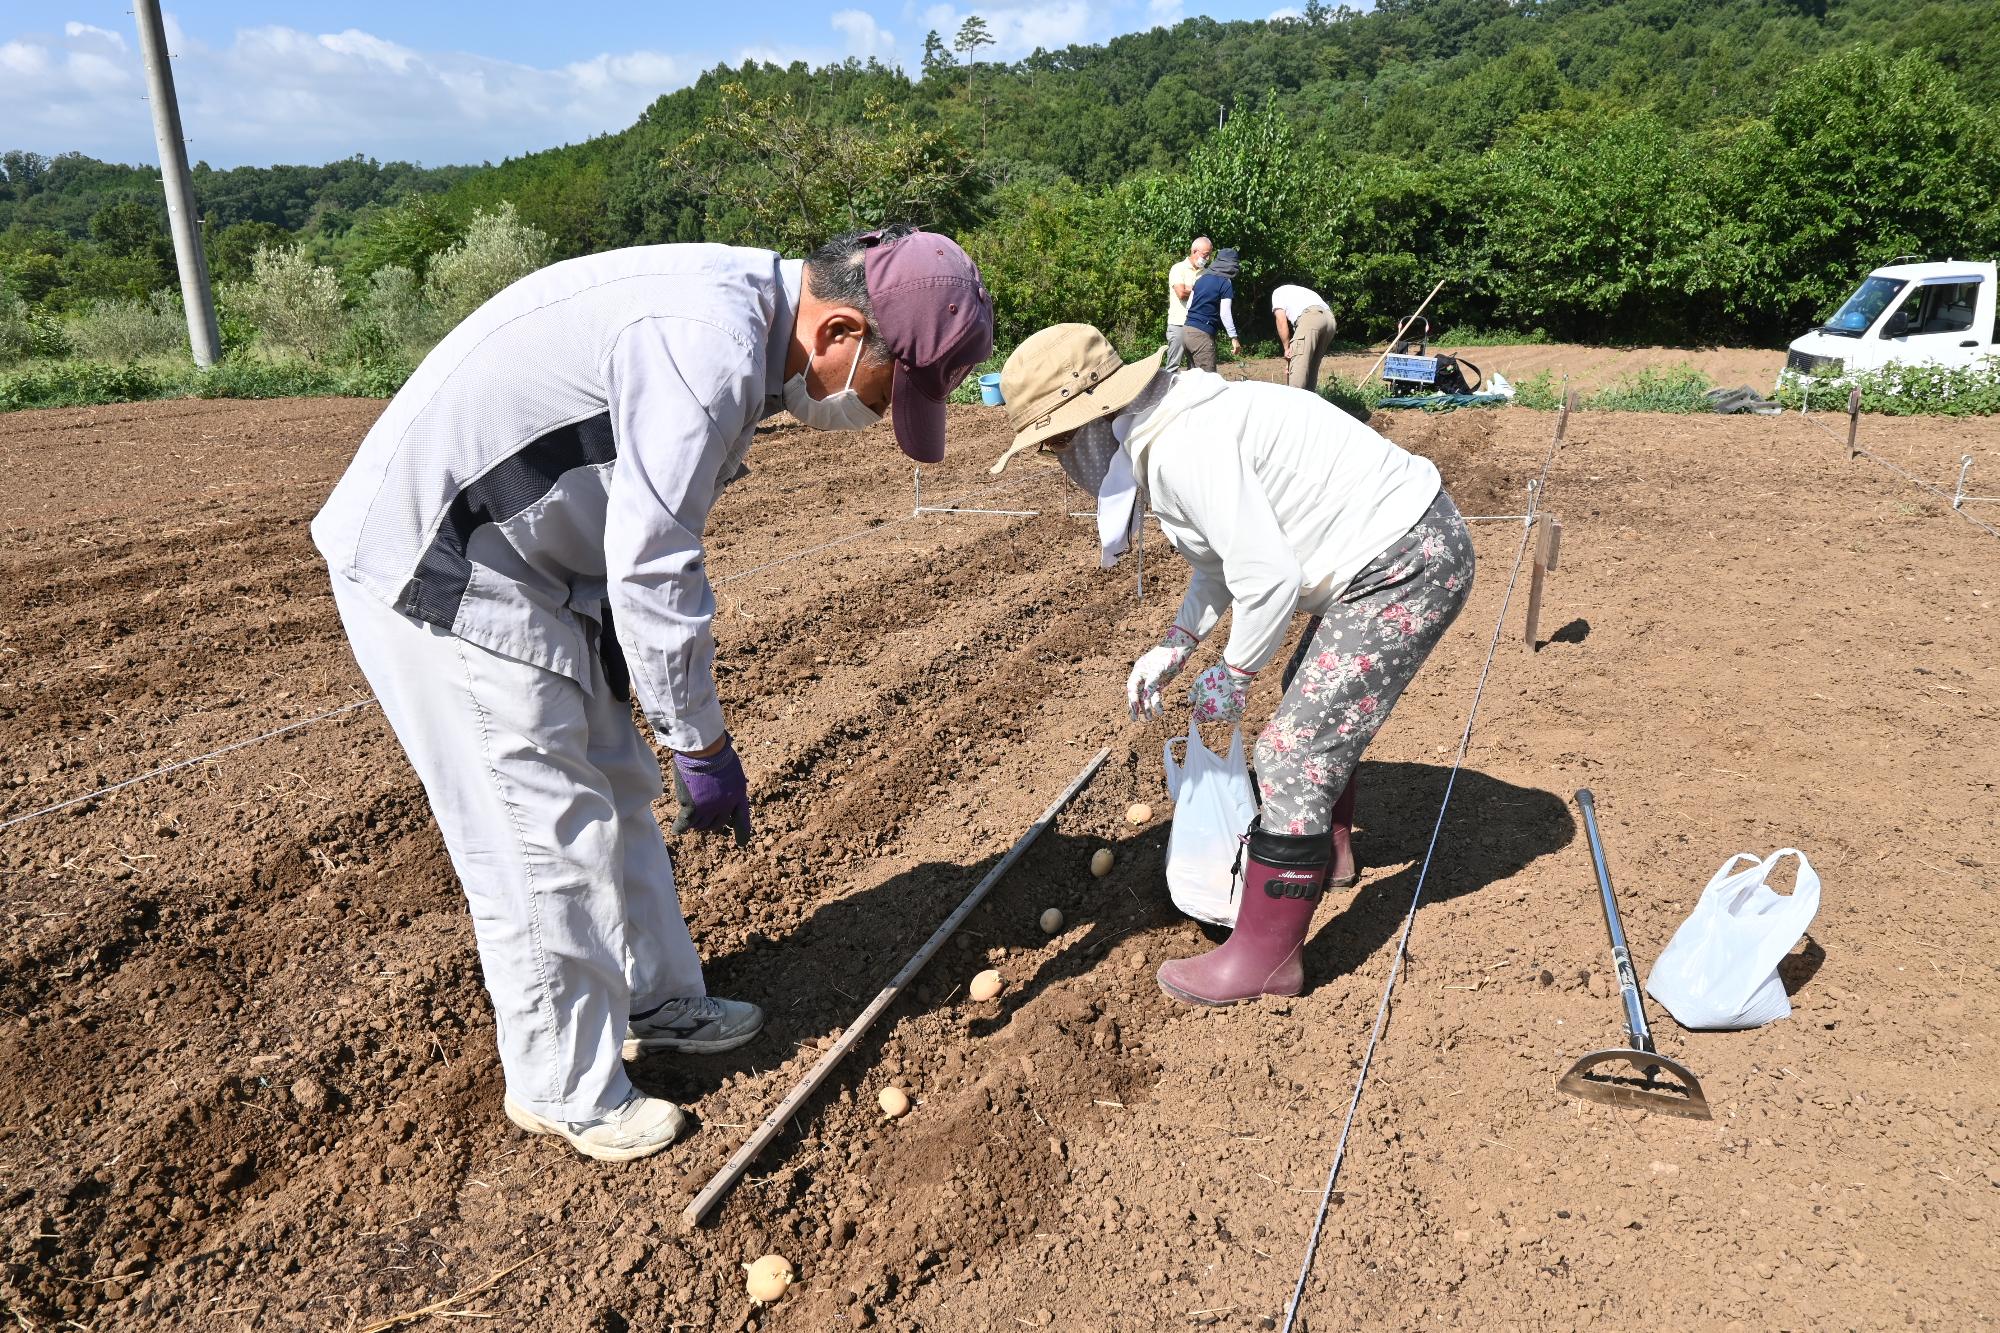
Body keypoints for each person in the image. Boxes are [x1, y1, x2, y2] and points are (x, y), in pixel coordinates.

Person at [313, 228, 993, 1159]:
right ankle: (564, 1084)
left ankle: (659, 999)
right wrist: (701, 744)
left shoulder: (742, 326)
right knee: (542, 827)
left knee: (618, 784)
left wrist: (660, 716)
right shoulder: (705, 342)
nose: (876, 415)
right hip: (447, 562)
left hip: (539, 566)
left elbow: (624, 526)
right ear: (838, 332)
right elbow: (654, 567)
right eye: (889, 389)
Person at [990, 323, 1472, 1007]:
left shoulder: (1184, 444)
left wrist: (1234, 674)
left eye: (1056, 440)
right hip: (1390, 550)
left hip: (1406, 560)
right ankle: (1328, 850)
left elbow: (1269, 576)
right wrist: (1173, 647)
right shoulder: (1167, 429)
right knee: (1311, 697)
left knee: (1292, 750)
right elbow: (1219, 567)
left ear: (1093, 416)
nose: (1057, 457)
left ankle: (1266, 960)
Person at [1181, 247, 1241, 373]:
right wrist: (1234, 337)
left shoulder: (1201, 279)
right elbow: (1225, 314)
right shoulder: (1225, 282)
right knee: (1208, 382)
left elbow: (1189, 306)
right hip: (1201, 335)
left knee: (1192, 379)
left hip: (1186, 331)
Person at [1271, 282, 1336, 392]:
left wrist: (1287, 349)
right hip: (1330, 320)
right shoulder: (1304, 293)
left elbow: (1281, 321)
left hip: (1312, 316)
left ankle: (1294, 406)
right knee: (1312, 366)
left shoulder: (1277, 293)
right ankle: (1309, 404)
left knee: (1299, 367)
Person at [1164, 237, 1212, 371]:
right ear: (1194, 251)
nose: (1207, 258)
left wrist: (1189, 288)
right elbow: (1181, 294)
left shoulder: (1207, 273)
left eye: (1209, 254)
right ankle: (1169, 391)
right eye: (1205, 254)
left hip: (1198, 326)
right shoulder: (1178, 268)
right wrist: (1200, 290)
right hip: (1178, 323)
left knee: (1197, 369)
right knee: (1172, 366)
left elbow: (1210, 297)